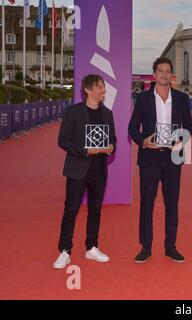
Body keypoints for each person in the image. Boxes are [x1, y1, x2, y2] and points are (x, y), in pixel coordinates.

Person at [128, 57, 192, 264]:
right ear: (154, 74)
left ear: (171, 75)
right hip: (149, 157)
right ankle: (145, 247)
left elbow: (189, 127)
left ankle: (170, 247)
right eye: (160, 71)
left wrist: (181, 140)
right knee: (147, 204)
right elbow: (132, 128)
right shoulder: (144, 99)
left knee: (172, 204)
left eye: (168, 71)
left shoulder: (182, 99)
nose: (164, 75)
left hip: (173, 157)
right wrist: (143, 142)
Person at [53, 74, 116, 269]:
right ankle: (64, 251)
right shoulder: (73, 112)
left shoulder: (108, 114)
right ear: (87, 90)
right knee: (70, 210)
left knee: (95, 211)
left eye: (103, 87)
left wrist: (111, 146)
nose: (103, 91)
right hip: (77, 169)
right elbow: (63, 140)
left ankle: (92, 247)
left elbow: (112, 137)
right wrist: (85, 151)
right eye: (99, 87)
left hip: (99, 170)